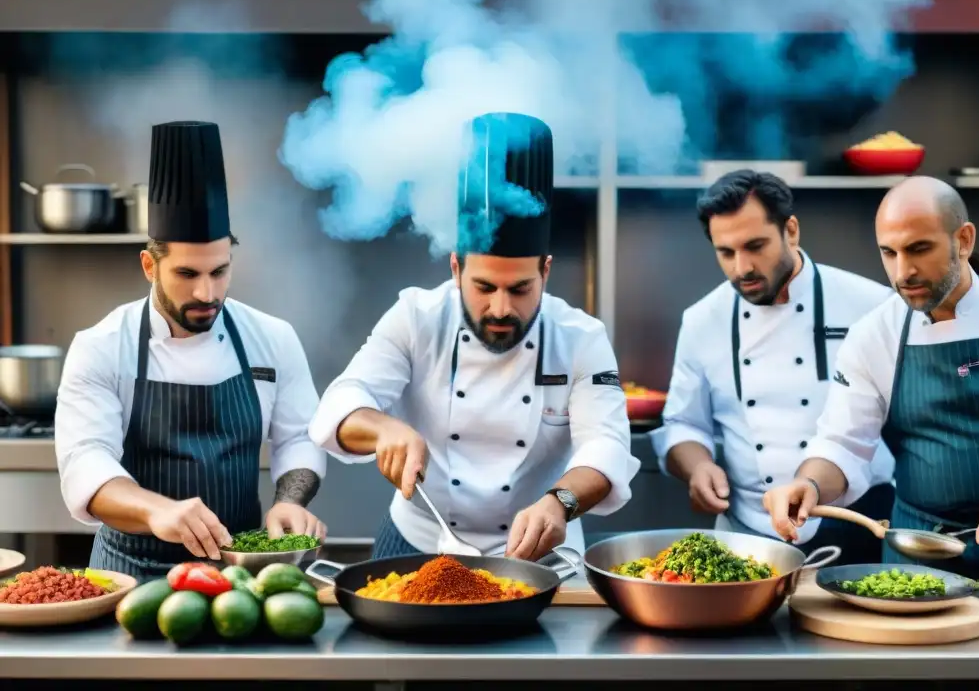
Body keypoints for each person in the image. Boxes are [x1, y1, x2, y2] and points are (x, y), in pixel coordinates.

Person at [308, 112, 639, 561]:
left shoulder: (580, 338)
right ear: (456, 268)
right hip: (417, 542)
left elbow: (607, 444)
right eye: (484, 287)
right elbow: (341, 401)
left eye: (520, 289)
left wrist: (558, 503)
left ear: (545, 270)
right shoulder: (416, 317)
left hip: (540, 552)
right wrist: (384, 430)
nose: (501, 308)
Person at [54, 121, 328, 578]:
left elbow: (300, 436)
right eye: (187, 275)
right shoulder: (101, 346)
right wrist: (155, 510)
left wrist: (289, 501)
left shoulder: (272, 337)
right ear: (149, 265)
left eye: (219, 272)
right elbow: (85, 462)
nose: (207, 293)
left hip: (238, 572)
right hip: (130, 572)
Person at [763, 175, 979, 588]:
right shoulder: (874, 335)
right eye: (889, 253)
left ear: (964, 240)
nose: (904, 271)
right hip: (916, 558)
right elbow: (842, 444)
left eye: (919, 249)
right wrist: (808, 483)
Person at [649, 169, 896, 563]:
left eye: (755, 246)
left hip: (859, 523)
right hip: (748, 536)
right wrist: (697, 467)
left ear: (791, 230)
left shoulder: (872, 305)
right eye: (725, 252)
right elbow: (683, 423)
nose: (741, 267)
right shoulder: (702, 320)